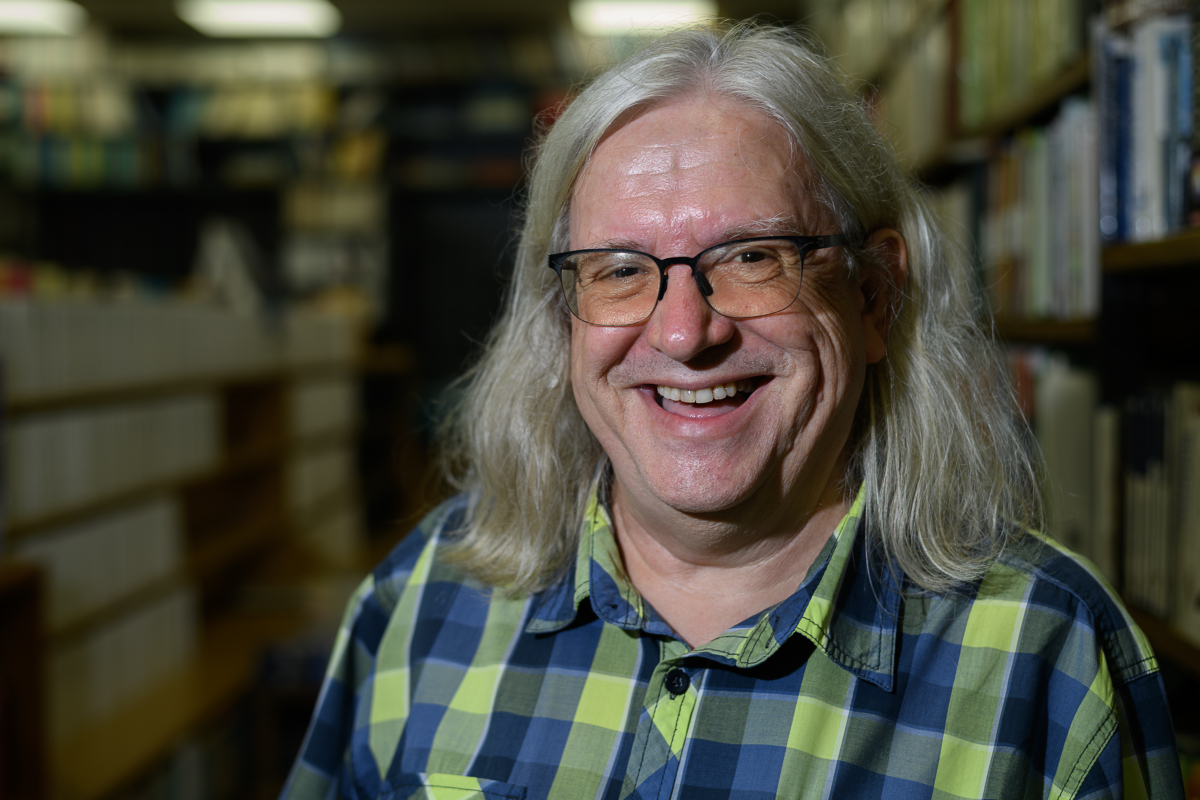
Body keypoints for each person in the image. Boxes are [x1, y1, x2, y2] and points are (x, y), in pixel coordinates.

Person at [282, 23, 1183, 800]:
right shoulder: (424, 600)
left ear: (874, 299)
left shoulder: (1050, 657)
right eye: (621, 269)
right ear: (564, 319)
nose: (683, 333)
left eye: (754, 256)